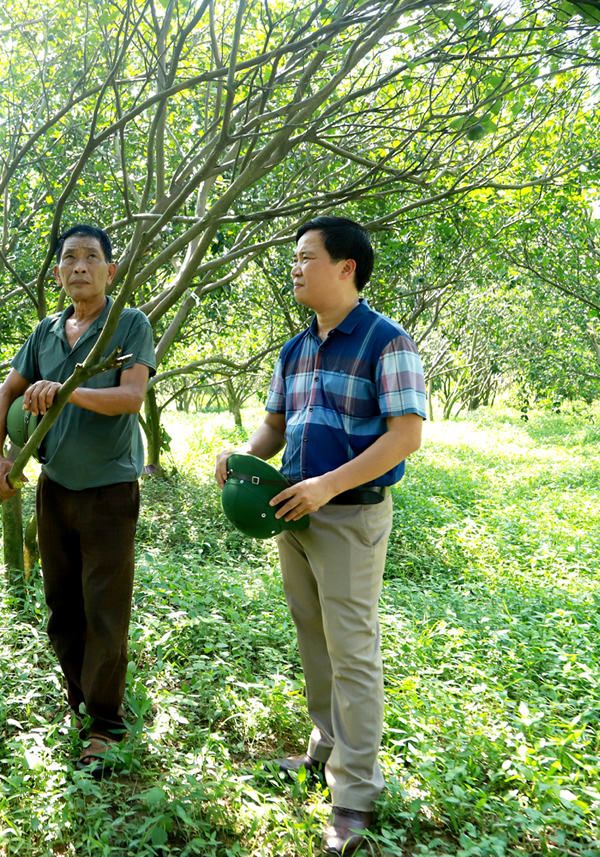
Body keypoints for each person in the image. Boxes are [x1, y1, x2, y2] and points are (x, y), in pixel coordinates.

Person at [214, 216, 427, 855]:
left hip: (348, 514)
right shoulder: (297, 347)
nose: (296, 268)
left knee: (353, 649)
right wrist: (243, 453)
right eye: (295, 258)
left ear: (346, 268)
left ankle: (355, 795)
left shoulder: (388, 343)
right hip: (292, 509)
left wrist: (327, 487)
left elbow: (405, 436)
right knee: (314, 636)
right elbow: (276, 427)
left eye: (307, 258)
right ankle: (324, 751)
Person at [0, 224, 156, 773]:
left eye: (91, 258)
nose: (79, 266)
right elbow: (6, 394)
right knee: (62, 606)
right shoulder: (43, 333)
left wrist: (66, 392)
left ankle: (105, 726)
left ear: (110, 270)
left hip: (108, 488)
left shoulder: (128, 324)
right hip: (53, 486)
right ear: (58, 273)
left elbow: (131, 397)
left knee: (104, 608)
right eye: (69, 258)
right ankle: (79, 704)